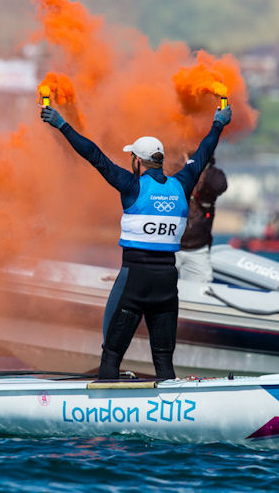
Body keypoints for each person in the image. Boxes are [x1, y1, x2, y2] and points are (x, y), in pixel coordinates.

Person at [40, 103, 232, 379]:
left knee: (111, 356)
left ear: (138, 162)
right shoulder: (182, 184)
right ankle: (170, 411)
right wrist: (218, 123)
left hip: (135, 281)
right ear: (161, 161)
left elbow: (95, 156)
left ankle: (103, 409)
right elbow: (204, 152)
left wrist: (61, 125)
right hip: (167, 283)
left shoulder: (132, 186)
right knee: (164, 361)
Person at [176, 155, 227, 282]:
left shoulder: (213, 176)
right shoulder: (173, 169)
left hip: (197, 248)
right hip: (169, 245)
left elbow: (220, 185)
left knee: (201, 286)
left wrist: (201, 168)